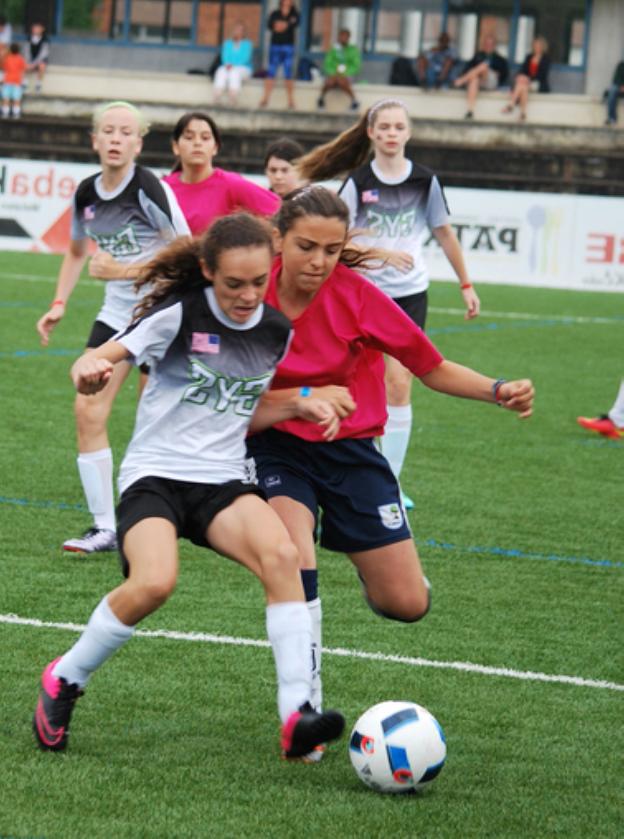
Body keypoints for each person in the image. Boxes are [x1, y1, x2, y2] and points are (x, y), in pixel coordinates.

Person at [32, 212, 346, 759]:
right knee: (155, 583)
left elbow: (243, 411)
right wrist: (87, 370)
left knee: (285, 557)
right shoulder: (178, 315)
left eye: (258, 282)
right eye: (234, 284)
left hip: (222, 480)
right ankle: (65, 677)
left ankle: (297, 715)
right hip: (155, 475)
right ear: (208, 271)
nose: (248, 295)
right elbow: (99, 356)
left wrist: (299, 404)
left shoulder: (276, 331)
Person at [247, 185, 534, 721]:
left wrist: (497, 390)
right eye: (306, 246)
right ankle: (304, 708)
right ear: (279, 239)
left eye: (331, 250)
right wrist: (301, 398)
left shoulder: (357, 296)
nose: (319, 261)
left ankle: (370, 567)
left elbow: (432, 367)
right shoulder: (250, 291)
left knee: (406, 604)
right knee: (293, 555)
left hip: (352, 450)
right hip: (273, 446)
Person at [295, 98, 480, 509]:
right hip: (362, 294)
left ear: (408, 133)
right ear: (371, 133)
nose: (392, 134)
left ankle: (390, 480)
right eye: (385, 127)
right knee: (354, 383)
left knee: (399, 382)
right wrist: (379, 255)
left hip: (409, 293)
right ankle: (331, 463)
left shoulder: (425, 181)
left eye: (399, 127)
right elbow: (337, 237)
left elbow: (444, 233)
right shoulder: (357, 183)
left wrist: (466, 283)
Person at [35, 101, 190, 555]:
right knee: (87, 407)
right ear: (95, 140)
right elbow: (77, 253)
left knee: (154, 421)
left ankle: (165, 511)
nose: (116, 138)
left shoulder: (149, 188)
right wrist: (59, 303)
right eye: (108, 130)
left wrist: (123, 271)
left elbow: (188, 254)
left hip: (162, 314)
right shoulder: (86, 193)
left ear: (138, 144)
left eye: (125, 132)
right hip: (117, 316)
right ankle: (105, 527)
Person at [162, 111, 280, 236]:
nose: (197, 143)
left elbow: (280, 212)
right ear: (175, 146)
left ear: (215, 147)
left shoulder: (232, 184)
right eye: (189, 137)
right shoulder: (162, 188)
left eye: (205, 138)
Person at [453, 34, 509, 119]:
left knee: (483, 66)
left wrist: (497, 73)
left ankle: (460, 81)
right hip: (479, 81)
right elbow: (467, 69)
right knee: (474, 80)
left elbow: (504, 74)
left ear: (494, 45)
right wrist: (475, 72)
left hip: (491, 82)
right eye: (486, 44)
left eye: (490, 44)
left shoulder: (500, 59)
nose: (488, 46)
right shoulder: (478, 56)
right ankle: (470, 110)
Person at [259, 0, 300, 110]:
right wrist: (282, 25)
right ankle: (265, 98)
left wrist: (282, 25)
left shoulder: (295, 14)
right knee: (271, 72)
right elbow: (272, 26)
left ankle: (291, 100)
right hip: (275, 46)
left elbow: (289, 25)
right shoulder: (275, 13)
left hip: (288, 47)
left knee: (288, 73)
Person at [502, 36, 550, 121]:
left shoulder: (546, 59)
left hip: (539, 83)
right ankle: (523, 113)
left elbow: (542, 75)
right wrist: (520, 76)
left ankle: (511, 105)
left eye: (538, 46)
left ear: (542, 47)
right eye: (535, 45)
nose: (536, 47)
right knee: (523, 86)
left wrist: (528, 79)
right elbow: (523, 70)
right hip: (526, 83)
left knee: (523, 84)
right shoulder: (529, 57)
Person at [317, 28, 361, 111]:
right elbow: (327, 63)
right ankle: (321, 99)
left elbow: (356, 65)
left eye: (345, 36)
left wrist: (344, 72)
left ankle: (354, 101)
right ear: (338, 37)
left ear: (349, 38)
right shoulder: (334, 49)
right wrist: (334, 72)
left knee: (341, 80)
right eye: (342, 36)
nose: (343, 38)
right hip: (333, 74)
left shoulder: (353, 50)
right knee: (330, 81)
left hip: (347, 75)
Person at [212, 21, 253, 105]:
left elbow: (245, 58)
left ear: (243, 32)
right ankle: (217, 95)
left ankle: (233, 97)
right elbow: (225, 56)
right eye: (236, 29)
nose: (237, 32)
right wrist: (227, 64)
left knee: (234, 72)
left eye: (240, 30)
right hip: (228, 66)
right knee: (221, 70)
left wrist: (233, 65)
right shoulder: (228, 43)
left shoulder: (247, 44)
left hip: (243, 68)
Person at [1, 42, 26, 118]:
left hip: (7, 81)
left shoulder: (7, 58)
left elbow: (3, 67)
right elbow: (23, 68)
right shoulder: (20, 59)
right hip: (17, 81)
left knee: (6, 98)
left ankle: (5, 113)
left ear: (10, 50)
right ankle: (16, 113)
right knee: (16, 99)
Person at [25, 21, 50, 93]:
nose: (35, 29)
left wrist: (34, 63)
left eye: (37, 28)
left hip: (40, 60)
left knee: (42, 66)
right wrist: (29, 61)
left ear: (42, 29)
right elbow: (26, 51)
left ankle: (38, 84)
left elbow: (43, 54)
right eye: (34, 28)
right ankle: (25, 83)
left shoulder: (45, 40)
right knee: (24, 64)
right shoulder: (28, 39)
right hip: (30, 59)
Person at [604, 58, 624, 126]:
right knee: (612, 90)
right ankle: (611, 118)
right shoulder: (621, 65)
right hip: (620, 87)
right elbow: (616, 78)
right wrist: (621, 85)